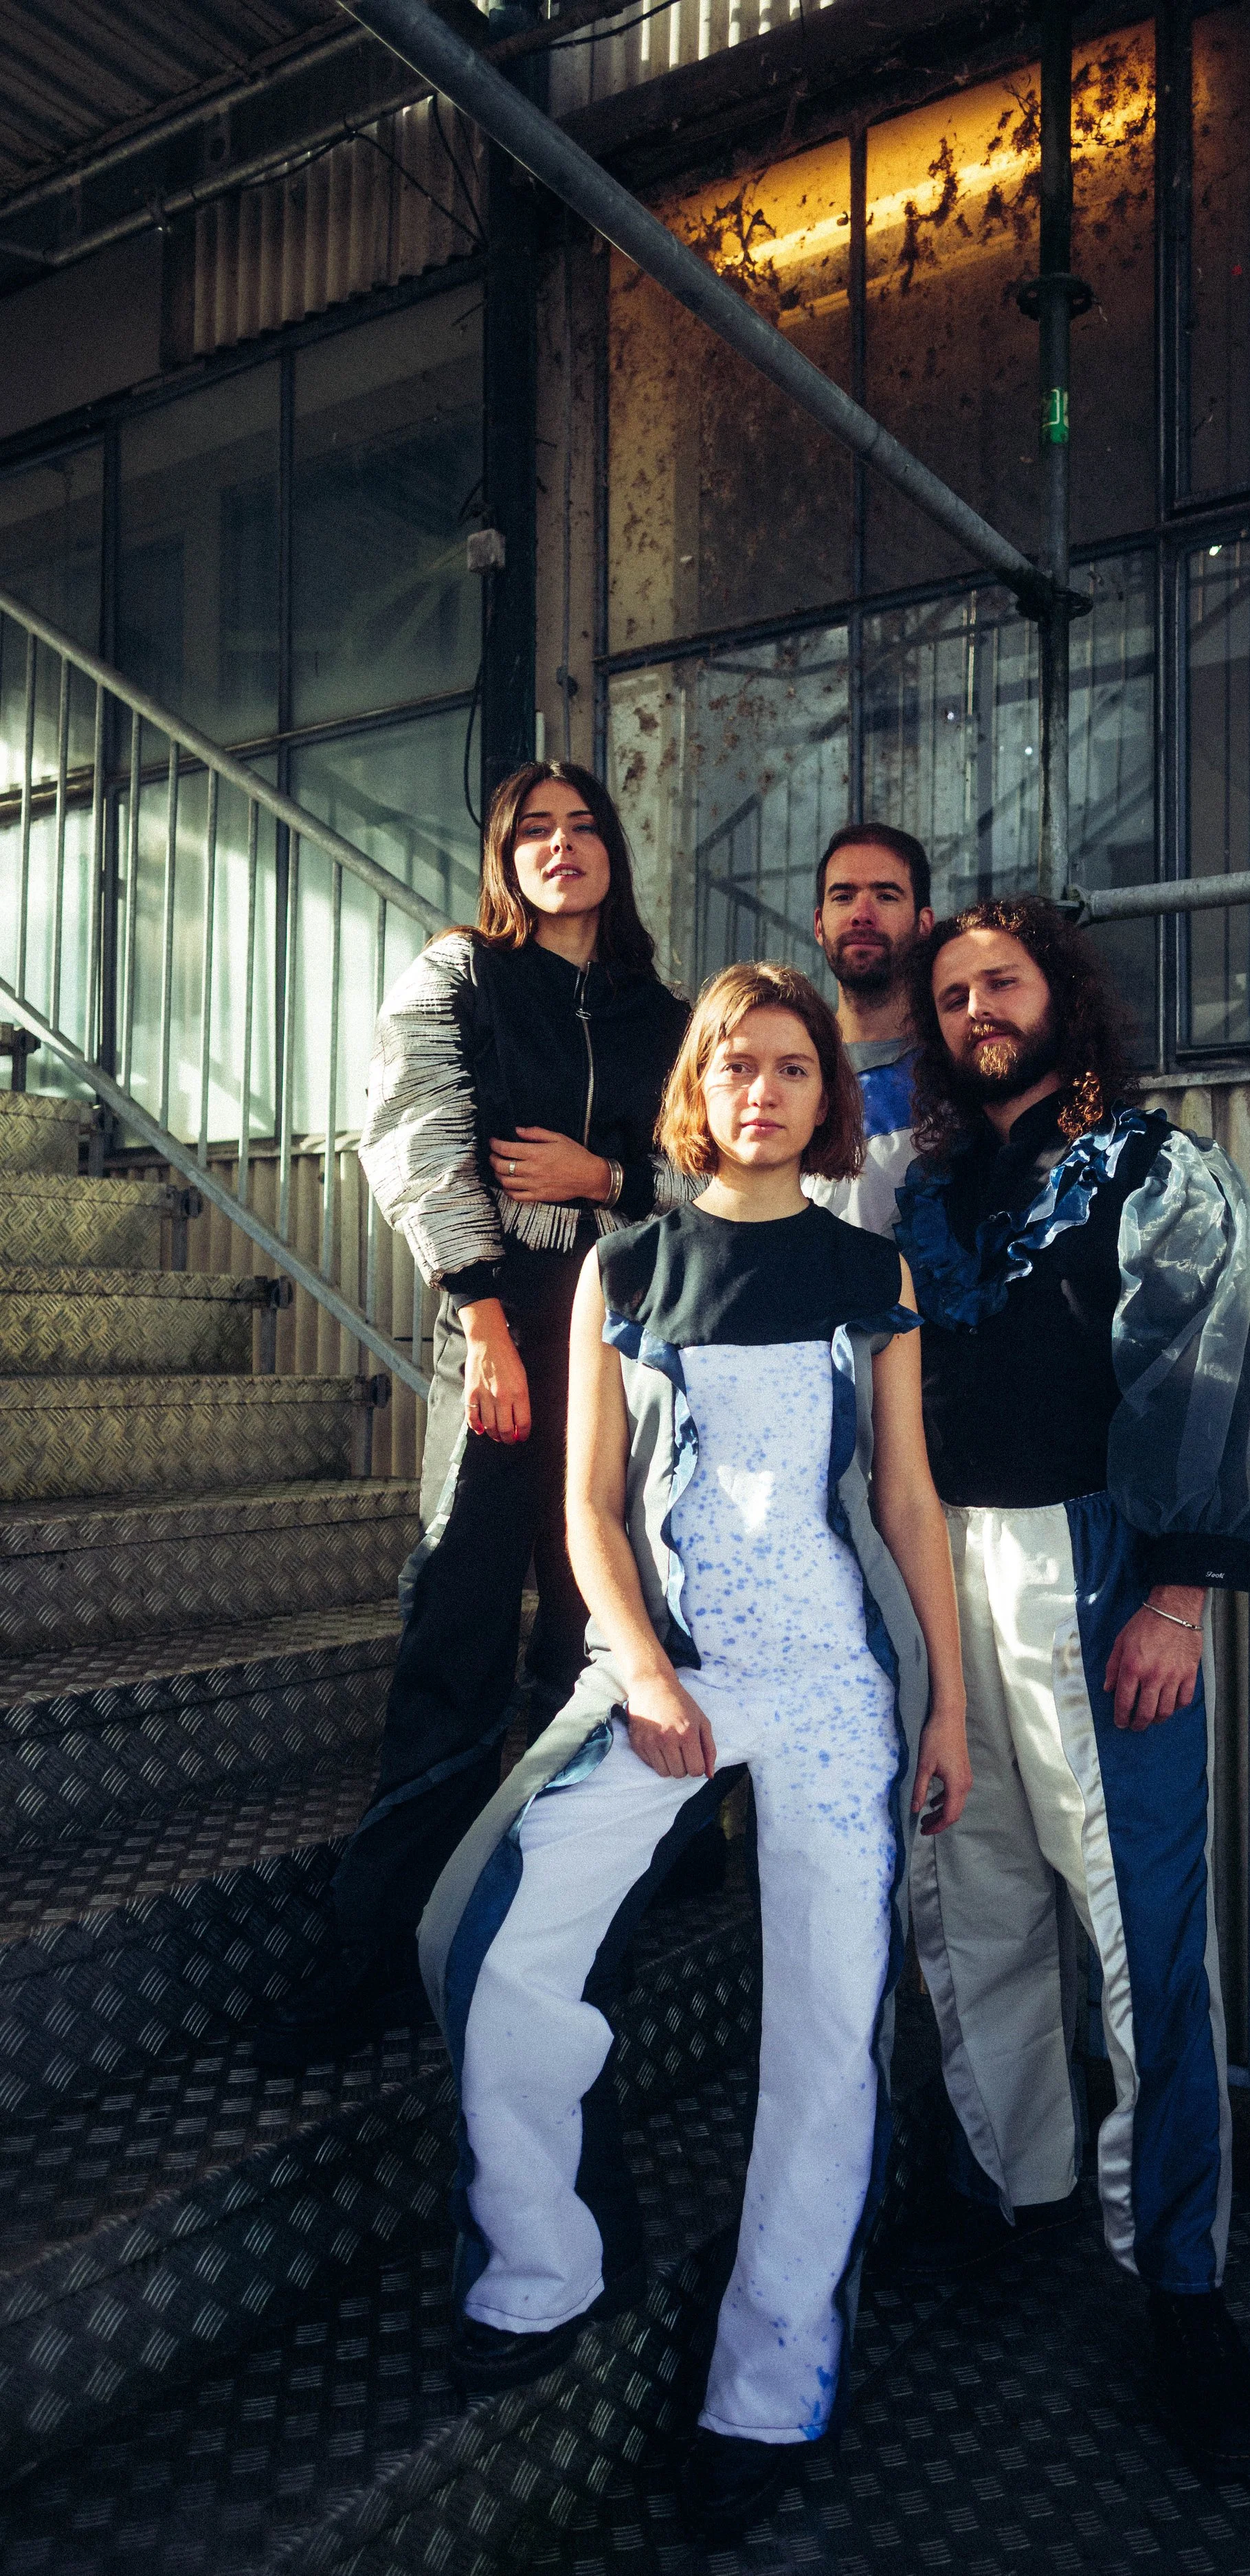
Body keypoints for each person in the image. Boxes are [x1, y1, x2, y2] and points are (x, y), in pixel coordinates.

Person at [416, 961, 970, 2545]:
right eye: (736, 1063)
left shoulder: (876, 1277)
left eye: (792, 1064)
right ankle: (542, 2259)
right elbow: (586, 1506)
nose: (763, 1088)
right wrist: (644, 1667)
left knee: (824, 2038)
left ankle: (770, 2382)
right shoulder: (626, 1268)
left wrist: (950, 1707)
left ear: (825, 1095)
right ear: (699, 1089)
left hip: (834, 1687)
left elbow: (910, 1504)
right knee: (486, 1941)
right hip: (667, 1672)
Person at [892, 895, 1250, 2476]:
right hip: (939, 1579)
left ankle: (1183, 2289)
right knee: (971, 1897)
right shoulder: (926, 1187)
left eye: (1005, 977)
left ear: (1063, 995)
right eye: (957, 990)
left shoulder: (1154, 1165)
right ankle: (1009, 2192)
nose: (982, 1004)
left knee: (1142, 1942)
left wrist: (1179, 1591)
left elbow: (1203, 1362)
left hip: (1100, 1568)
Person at [257, 762, 691, 2068]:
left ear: (615, 853)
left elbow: (719, 1167)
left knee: (600, 1626)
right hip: (506, 1323)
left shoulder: (669, 1014)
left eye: (582, 829)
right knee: (457, 1619)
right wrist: (485, 1319)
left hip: (635, 1335)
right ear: (503, 861)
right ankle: (382, 1950)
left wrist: (607, 1173)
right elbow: (414, 1132)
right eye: (533, 833)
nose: (561, 848)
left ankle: (571, 1922)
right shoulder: (457, 974)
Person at [804, 822, 933, 1234]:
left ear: (924, 923)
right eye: (844, 896)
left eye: (886, 895)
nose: (863, 915)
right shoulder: (786, 1070)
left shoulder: (958, 1070)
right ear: (820, 924)